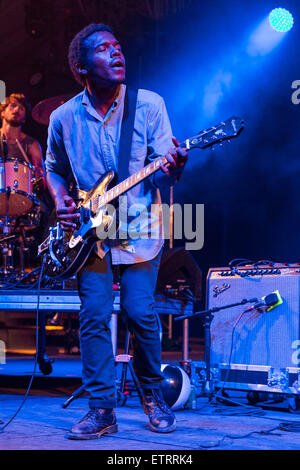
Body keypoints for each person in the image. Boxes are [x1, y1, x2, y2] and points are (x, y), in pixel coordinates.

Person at [45, 23, 188, 440]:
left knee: (141, 313)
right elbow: (53, 169)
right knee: (92, 316)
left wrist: (175, 165)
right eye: (104, 49)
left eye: (118, 47)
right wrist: (60, 201)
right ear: (81, 66)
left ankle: (152, 395)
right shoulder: (63, 117)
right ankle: (101, 410)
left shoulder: (149, 105)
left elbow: (165, 170)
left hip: (141, 225)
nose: (116, 53)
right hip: (93, 230)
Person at [0, 93, 45, 182]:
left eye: (21, 108)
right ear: (2, 112)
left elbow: (42, 177)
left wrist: (38, 173)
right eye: (13, 106)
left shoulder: (32, 144)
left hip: (19, 192)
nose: (16, 110)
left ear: (24, 118)